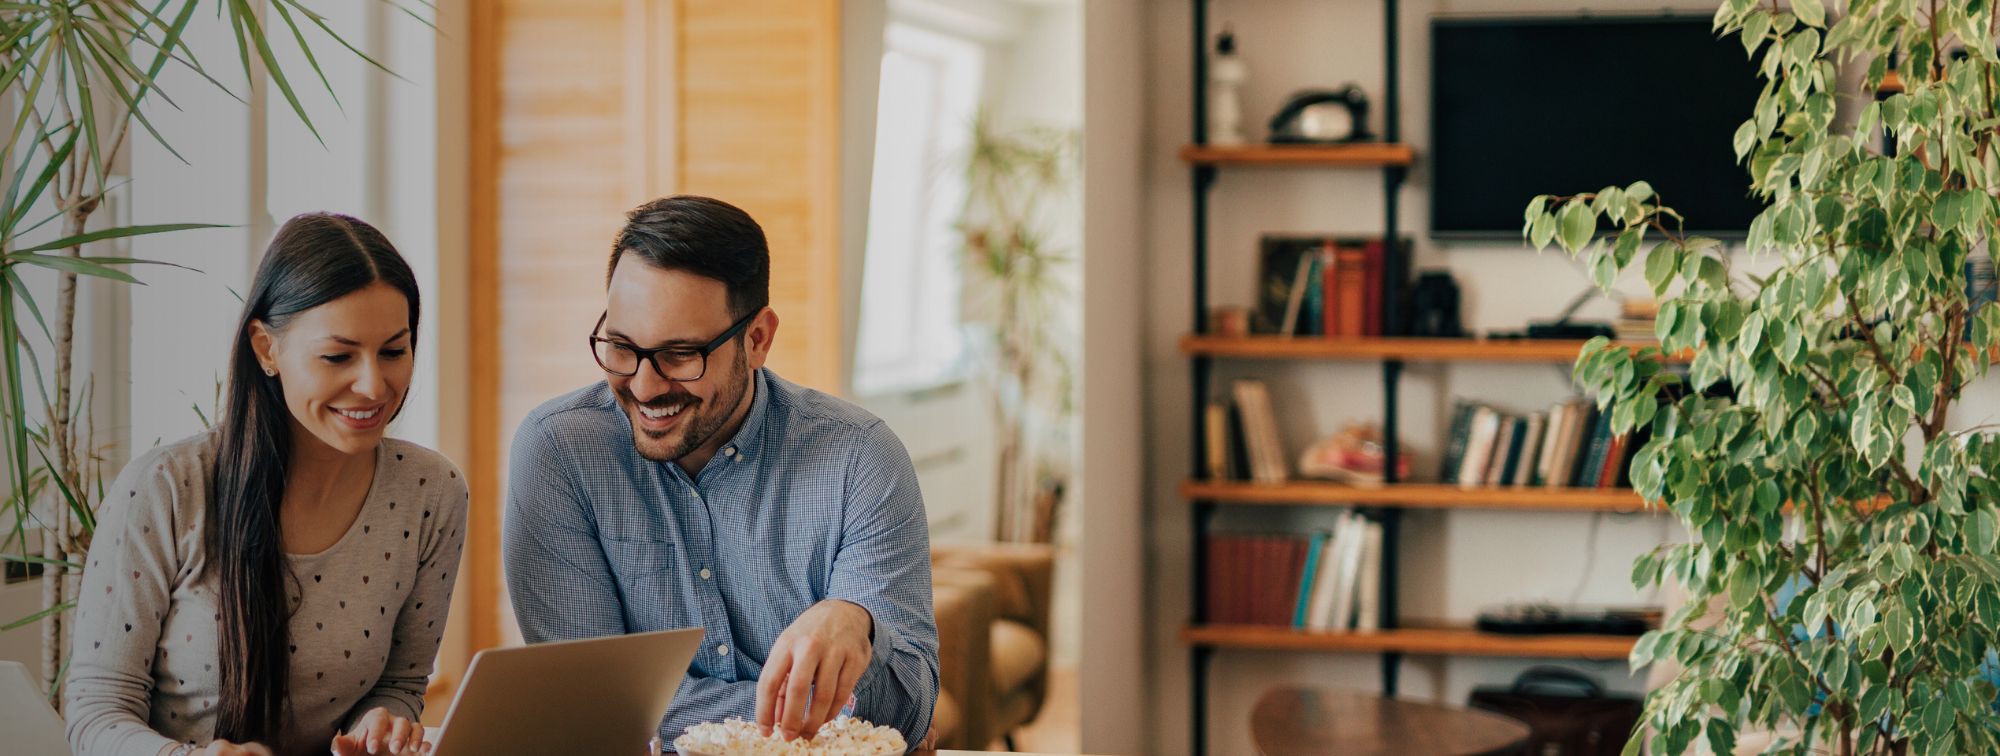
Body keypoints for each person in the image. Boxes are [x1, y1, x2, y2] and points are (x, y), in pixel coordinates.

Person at [504, 196, 938, 748]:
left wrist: (856, 623)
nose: (643, 386)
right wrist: (830, 722)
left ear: (757, 339)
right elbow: (593, 708)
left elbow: (910, 705)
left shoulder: (860, 459)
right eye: (620, 346)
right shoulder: (559, 453)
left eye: (680, 355)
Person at [66, 213, 469, 756]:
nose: (374, 384)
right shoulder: (164, 489)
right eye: (338, 356)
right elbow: (95, 712)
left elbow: (401, 684)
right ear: (266, 349)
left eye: (394, 351)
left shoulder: (431, 492)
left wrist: (383, 722)